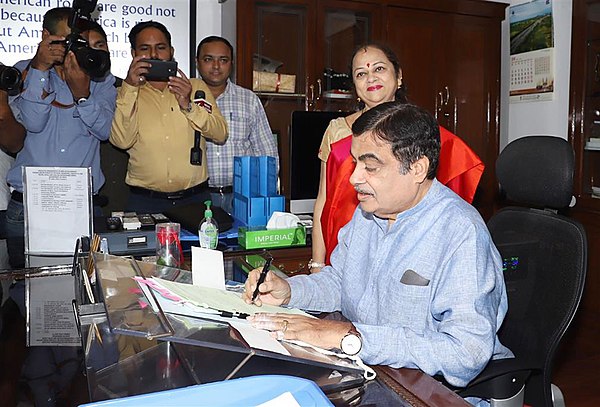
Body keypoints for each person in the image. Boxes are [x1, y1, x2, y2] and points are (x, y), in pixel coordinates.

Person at [244, 101, 512, 393]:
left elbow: (466, 352)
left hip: (432, 391)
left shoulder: (461, 232)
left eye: (370, 167)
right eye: (356, 163)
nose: (354, 178)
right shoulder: (369, 212)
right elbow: (341, 281)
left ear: (418, 168)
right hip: (376, 374)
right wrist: (290, 291)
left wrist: (351, 338)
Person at [310, 43, 484, 271]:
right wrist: (317, 262)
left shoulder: (421, 130)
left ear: (398, 76)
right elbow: (324, 200)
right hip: (346, 250)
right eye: (361, 73)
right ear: (355, 85)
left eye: (379, 69)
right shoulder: (338, 131)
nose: (371, 78)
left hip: (405, 251)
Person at [6, 7, 116, 262]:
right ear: (47, 36)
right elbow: (33, 122)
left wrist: (82, 94)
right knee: (24, 287)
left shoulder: (99, 78)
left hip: (83, 204)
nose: (72, 49)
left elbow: (106, 131)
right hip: (28, 205)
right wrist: (40, 69)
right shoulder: (22, 73)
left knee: (87, 286)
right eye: (66, 41)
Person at [110, 21, 228, 214]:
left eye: (161, 48)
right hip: (145, 202)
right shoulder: (124, 93)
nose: (154, 55)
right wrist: (130, 87)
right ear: (133, 54)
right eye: (145, 49)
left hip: (195, 199)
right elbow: (122, 141)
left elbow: (220, 134)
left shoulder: (195, 87)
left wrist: (188, 105)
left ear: (171, 51)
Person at [196, 36, 278, 214]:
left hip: (241, 196)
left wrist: (263, 197)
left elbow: (267, 154)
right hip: (197, 196)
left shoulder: (248, 100)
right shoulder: (185, 98)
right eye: (208, 59)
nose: (216, 66)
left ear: (231, 64)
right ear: (197, 63)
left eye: (223, 60)